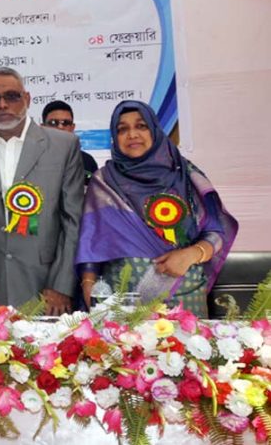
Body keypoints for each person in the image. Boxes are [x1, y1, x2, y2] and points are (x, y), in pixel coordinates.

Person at [77, 100, 238, 317]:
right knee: (127, 350)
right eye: (122, 129)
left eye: (141, 126)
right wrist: (88, 284)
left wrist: (191, 254)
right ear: (115, 138)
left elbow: (216, 230)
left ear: (155, 130)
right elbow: (90, 244)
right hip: (122, 301)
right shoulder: (104, 182)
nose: (132, 134)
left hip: (184, 296)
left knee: (184, 350)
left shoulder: (186, 175)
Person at [0, 67, 84, 313]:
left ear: (27, 99)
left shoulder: (63, 146)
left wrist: (61, 285)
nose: (2, 105)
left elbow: (73, 220)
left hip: (46, 289)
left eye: (12, 96)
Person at [41, 100, 99, 184]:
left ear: (72, 128)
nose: (60, 127)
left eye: (66, 123)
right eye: (53, 123)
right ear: (42, 127)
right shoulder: (32, 161)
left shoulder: (87, 161)